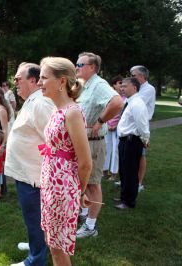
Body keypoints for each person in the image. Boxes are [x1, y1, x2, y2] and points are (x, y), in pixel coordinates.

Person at [38, 56, 92, 265]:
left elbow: (86, 162)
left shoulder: (72, 113)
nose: (40, 82)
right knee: (52, 244)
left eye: (44, 78)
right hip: (51, 184)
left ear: (61, 81)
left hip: (62, 189)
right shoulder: (56, 109)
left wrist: (79, 192)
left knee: (58, 249)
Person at [5, 62, 55, 266]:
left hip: (34, 176)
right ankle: (37, 246)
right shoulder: (31, 100)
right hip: (25, 173)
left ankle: (35, 260)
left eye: (18, 78)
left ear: (33, 80)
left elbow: (54, 140)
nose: (14, 82)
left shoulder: (41, 103)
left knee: (35, 220)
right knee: (33, 219)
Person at [75, 52, 123, 239]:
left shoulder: (99, 85)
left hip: (93, 144)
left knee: (93, 184)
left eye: (80, 64)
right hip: (83, 143)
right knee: (84, 183)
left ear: (92, 67)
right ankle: (85, 214)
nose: (76, 66)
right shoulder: (84, 85)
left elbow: (117, 102)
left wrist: (100, 121)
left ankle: (90, 227)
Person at [115, 77, 150, 209]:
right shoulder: (130, 102)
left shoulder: (137, 103)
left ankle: (129, 202)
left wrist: (145, 139)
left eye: (125, 86)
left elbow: (142, 124)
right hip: (125, 141)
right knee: (124, 171)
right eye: (121, 86)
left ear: (134, 88)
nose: (122, 88)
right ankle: (124, 196)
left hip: (132, 141)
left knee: (130, 171)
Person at [130, 65, 156, 192]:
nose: (131, 77)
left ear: (142, 76)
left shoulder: (149, 89)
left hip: (141, 124)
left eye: (133, 75)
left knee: (141, 154)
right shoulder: (139, 88)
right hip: (132, 124)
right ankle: (130, 180)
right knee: (131, 154)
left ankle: (139, 183)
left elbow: (134, 102)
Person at [103, 75, 125, 181]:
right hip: (108, 127)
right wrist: (107, 124)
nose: (122, 85)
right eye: (120, 83)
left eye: (123, 83)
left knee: (116, 149)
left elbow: (124, 115)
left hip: (118, 128)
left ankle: (114, 172)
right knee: (107, 148)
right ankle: (104, 170)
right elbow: (104, 111)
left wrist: (116, 125)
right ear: (114, 85)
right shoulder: (109, 97)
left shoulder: (126, 98)